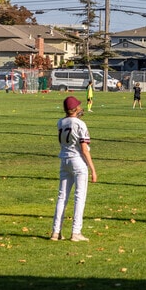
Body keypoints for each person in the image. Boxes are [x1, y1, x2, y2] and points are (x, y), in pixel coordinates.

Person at [51, 96, 97, 242]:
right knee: (79, 197)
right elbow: (84, 149)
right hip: (78, 161)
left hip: (64, 160)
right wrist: (93, 169)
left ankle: (55, 232)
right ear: (75, 109)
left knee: (62, 196)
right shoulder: (80, 124)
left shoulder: (60, 122)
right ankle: (76, 232)